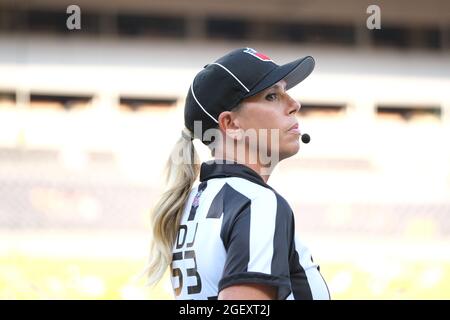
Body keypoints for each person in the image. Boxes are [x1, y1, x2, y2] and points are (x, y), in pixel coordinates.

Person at [145, 47, 330, 300]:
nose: (294, 104)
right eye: (272, 96)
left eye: (286, 92)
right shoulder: (256, 202)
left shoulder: (192, 201)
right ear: (230, 125)